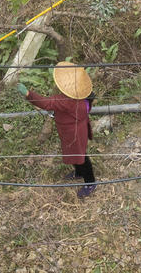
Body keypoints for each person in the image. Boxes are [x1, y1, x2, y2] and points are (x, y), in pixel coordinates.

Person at [21, 61, 97, 197]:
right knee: (76, 154)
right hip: (78, 130)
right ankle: (79, 172)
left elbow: (46, 103)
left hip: (73, 133)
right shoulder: (85, 97)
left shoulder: (66, 100)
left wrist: (28, 94)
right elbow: (62, 109)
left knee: (81, 157)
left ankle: (90, 182)